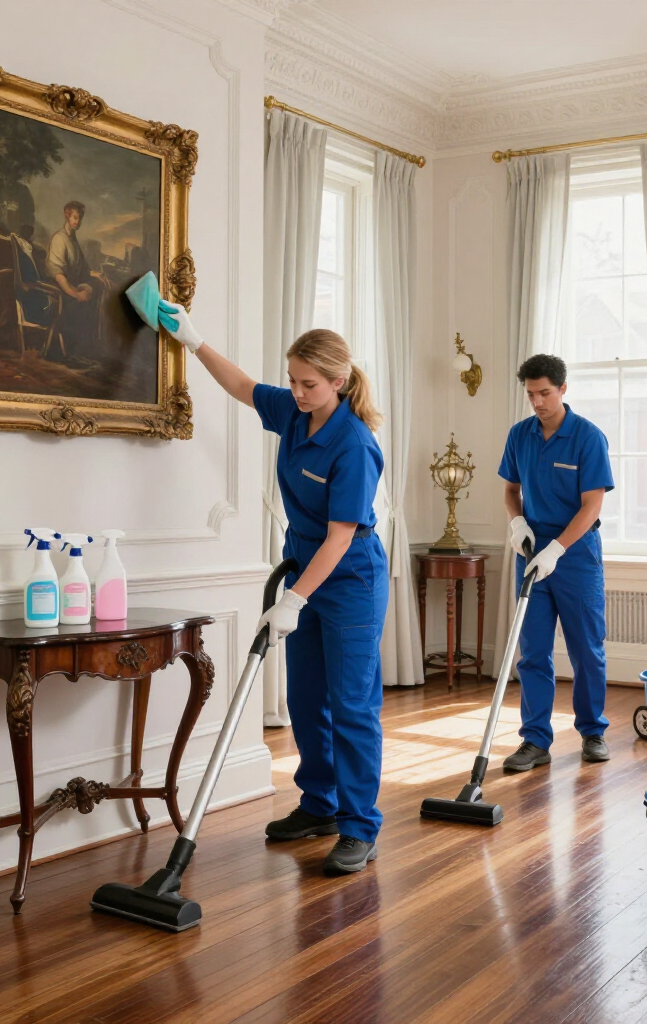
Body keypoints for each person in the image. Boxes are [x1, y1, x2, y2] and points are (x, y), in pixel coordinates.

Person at [161, 304, 389, 876]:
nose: (297, 391)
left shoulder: (354, 445)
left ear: (339, 382)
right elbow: (241, 385)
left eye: (309, 383)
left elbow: (341, 537)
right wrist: (195, 341)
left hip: (350, 582)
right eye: (292, 380)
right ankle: (320, 805)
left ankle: (360, 827)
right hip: (306, 575)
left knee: (353, 706)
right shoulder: (292, 411)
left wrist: (294, 598)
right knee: (307, 697)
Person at [498, 354, 613, 771]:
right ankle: (534, 741)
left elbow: (591, 505)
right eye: (531, 394)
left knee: (586, 649)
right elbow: (511, 490)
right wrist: (517, 524)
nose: (538, 402)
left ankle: (593, 732)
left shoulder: (587, 437)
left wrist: (558, 549)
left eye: (545, 393)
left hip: (576, 553)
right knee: (532, 651)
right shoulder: (520, 435)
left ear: (563, 389)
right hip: (531, 552)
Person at [45, 201, 105, 359]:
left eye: (80, 218)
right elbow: (58, 274)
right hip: (61, 290)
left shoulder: (73, 240)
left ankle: (86, 347)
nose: (77, 222)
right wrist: (76, 294)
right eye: (75, 218)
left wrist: (94, 275)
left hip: (73, 286)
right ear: (67, 216)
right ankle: (71, 352)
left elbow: (83, 269)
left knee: (98, 286)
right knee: (81, 302)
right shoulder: (59, 239)